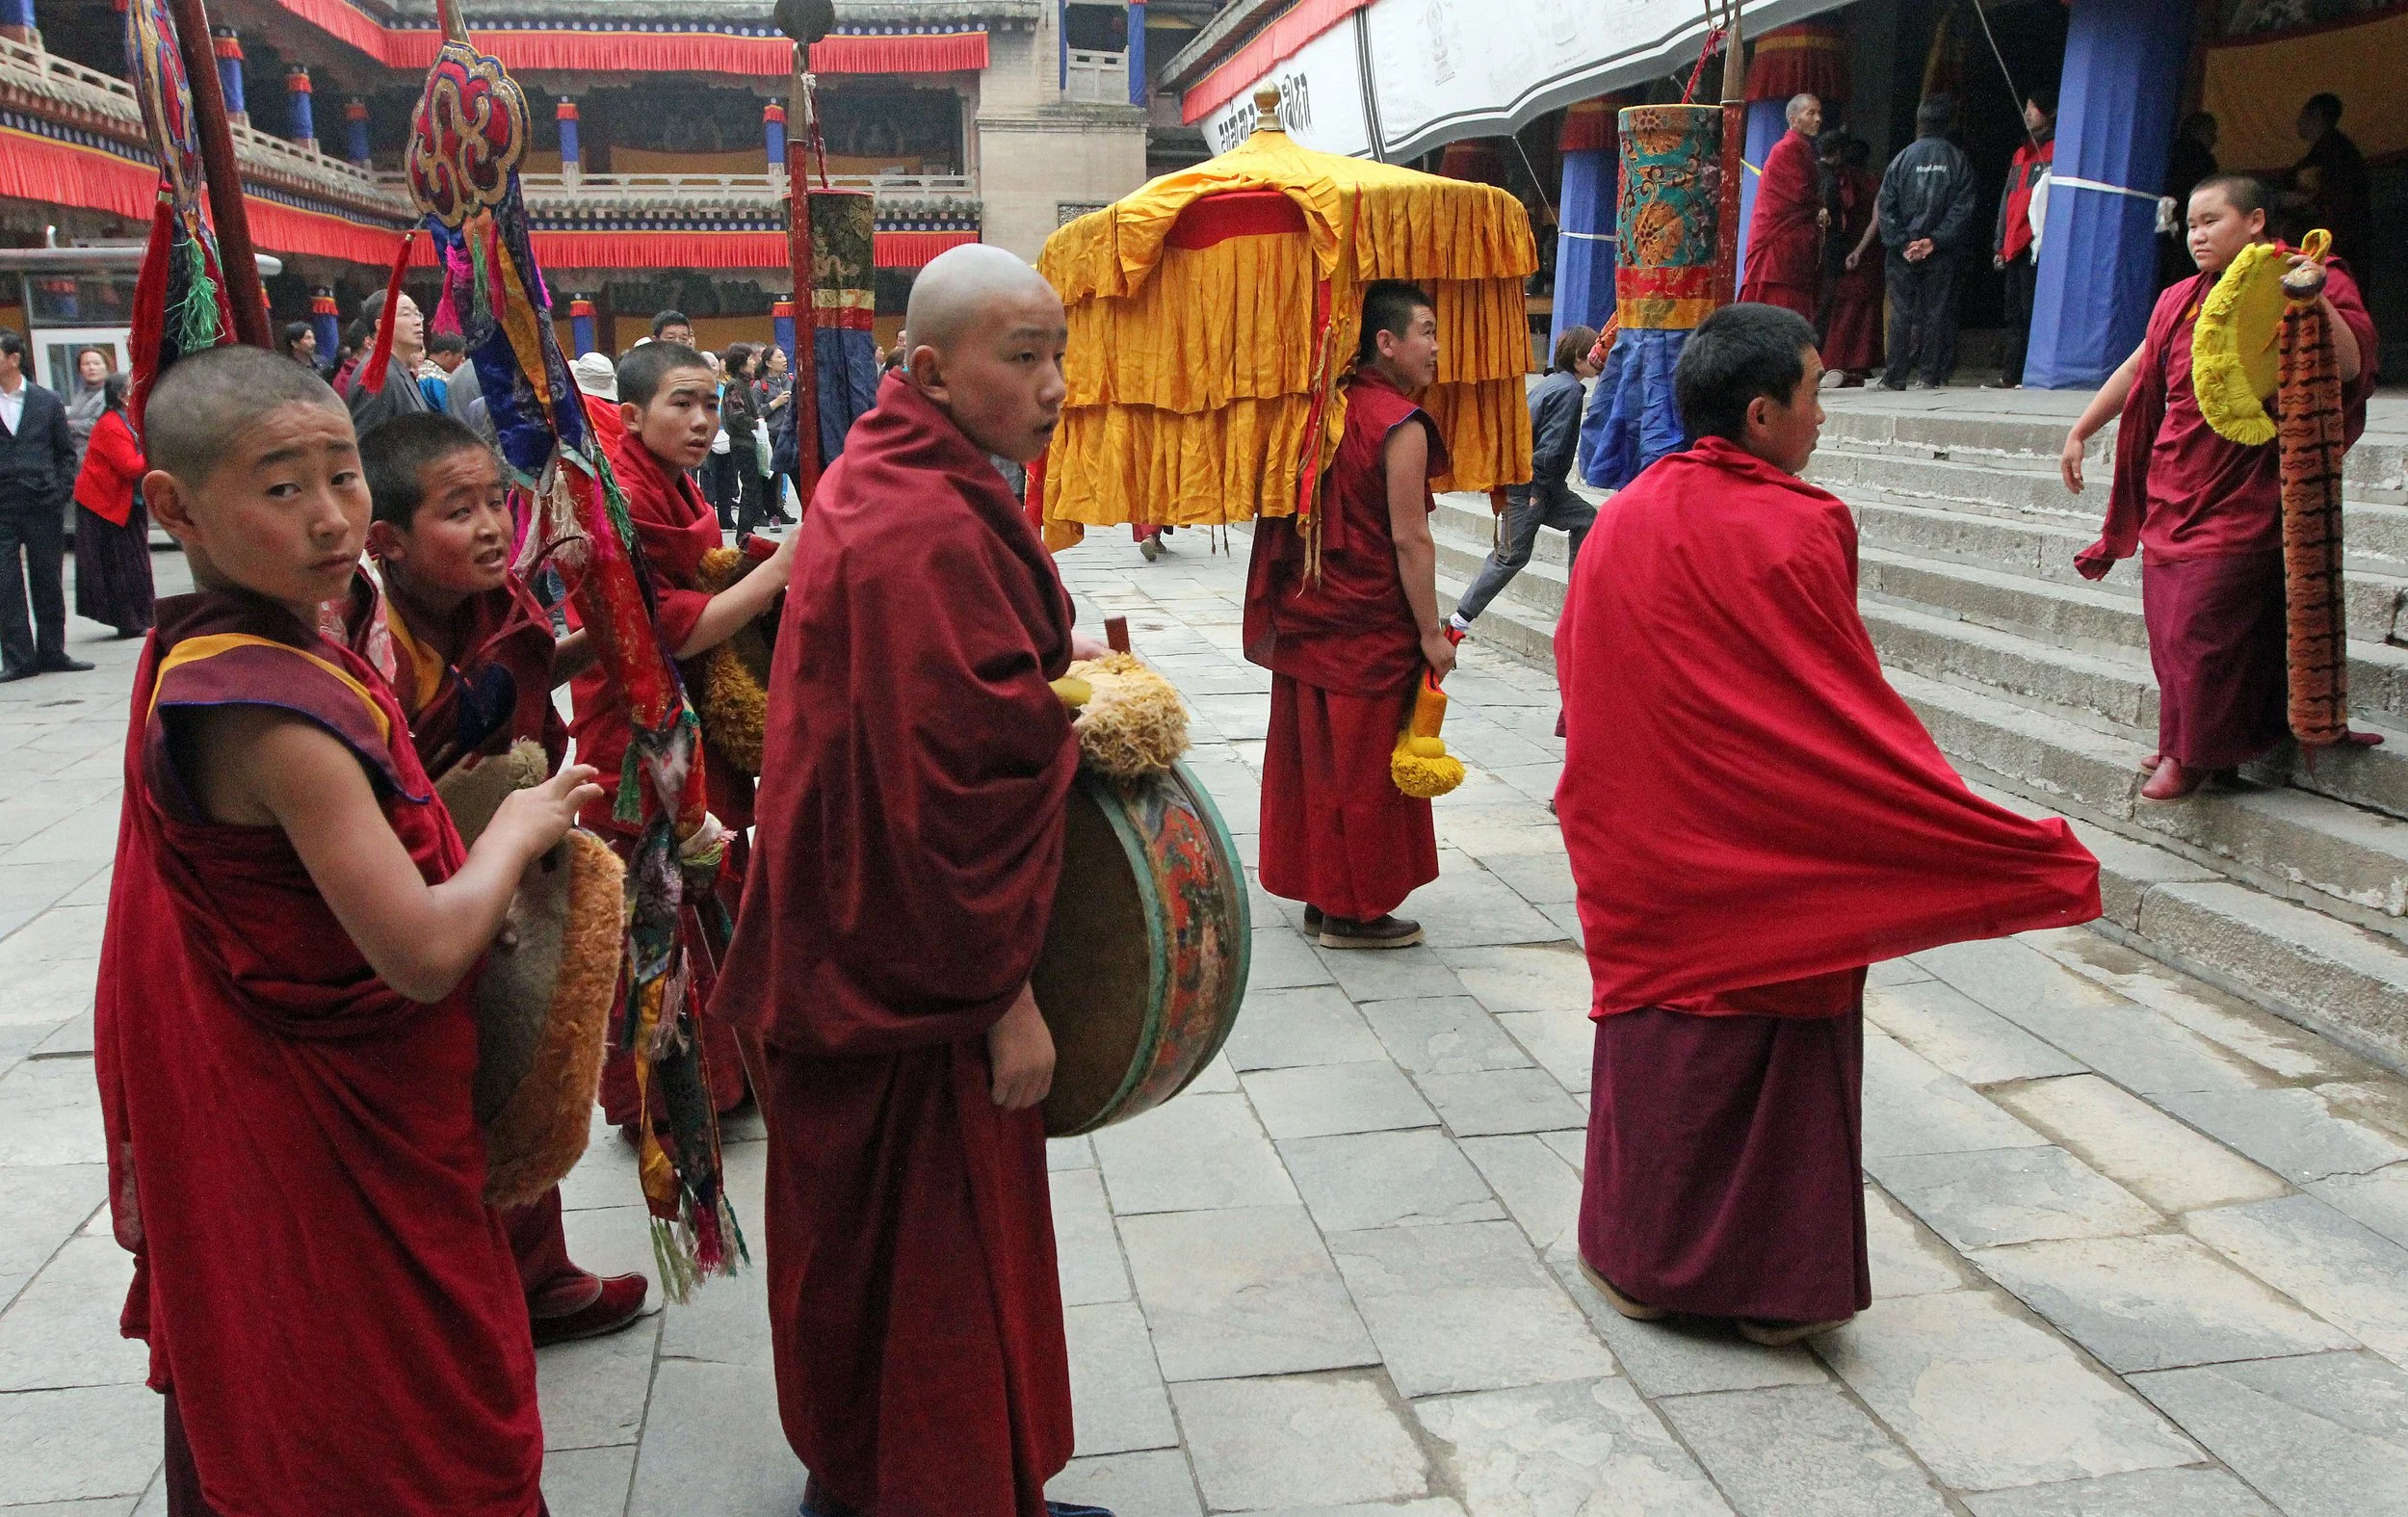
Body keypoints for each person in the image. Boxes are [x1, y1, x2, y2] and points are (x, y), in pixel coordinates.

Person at [94, 345, 592, 1515]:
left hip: (353, 1103)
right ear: (174, 508)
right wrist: (517, 832)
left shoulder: (268, 648)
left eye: (343, 478)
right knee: (394, 1423)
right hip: (331, 1131)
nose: (329, 519)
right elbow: (417, 954)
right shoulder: (263, 712)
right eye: (280, 488)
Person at [1556, 301, 2100, 1346]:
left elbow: (1584, 681)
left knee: (1664, 1047)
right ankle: (1773, 1295)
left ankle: (1641, 1262)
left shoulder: (1622, 514)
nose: (1822, 418)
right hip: (1773, 847)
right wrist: (1939, 823)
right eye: (1813, 395)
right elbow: (1836, 707)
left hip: (1646, 843)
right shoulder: (1804, 523)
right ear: (1760, 414)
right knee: (1778, 1049)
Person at [715, 241, 1110, 1517]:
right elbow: (940, 794)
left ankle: (895, 1478)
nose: (1055, 383)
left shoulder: (894, 477)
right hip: (906, 958)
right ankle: (930, 1490)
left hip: (855, 923)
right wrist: (999, 993)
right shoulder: (916, 526)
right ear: (933, 372)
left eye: (1059, 350)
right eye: (1025, 355)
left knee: (888, 1246)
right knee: (927, 1252)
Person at [345, 411, 650, 1346]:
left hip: (507, 856)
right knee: (460, 1097)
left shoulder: (486, 604)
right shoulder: (369, 640)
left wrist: (606, 639)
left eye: (493, 502)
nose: (488, 526)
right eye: (457, 510)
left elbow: (514, 677)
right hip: (420, 890)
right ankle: (477, 1299)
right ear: (387, 541)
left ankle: (538, 1275)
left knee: (521, 1064)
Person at [2061, 173, 2378, 801]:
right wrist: (2083, 427)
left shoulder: (2301, 275)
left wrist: (2309, 296)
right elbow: (2138, 363)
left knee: (2207, 620)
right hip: (2178, 481)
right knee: (2171, 625)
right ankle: (2195, 739)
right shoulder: (2180, 296)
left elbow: (2349, 362)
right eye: (2192, 225)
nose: (2197, 235)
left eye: (2212, 221)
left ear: (2256, 222)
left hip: (2248, 485)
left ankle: (2193, 755)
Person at [571, 340, 795, 1134]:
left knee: (709, 889)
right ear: (632, 415)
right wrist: (778, 571)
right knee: (659, 908)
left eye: (709, 404)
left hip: (690, 719)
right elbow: (671, 629)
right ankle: (663, 1097)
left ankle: (722, 1080)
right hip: (641, 732)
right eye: (682, 405)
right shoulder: (623, 496)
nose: (702, 421)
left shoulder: (669, 480)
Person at [1244, 281, 1451, 949]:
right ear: (1384, 343)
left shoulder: (1318, 415)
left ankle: (1322, 894)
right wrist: (1430, 633)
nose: (1437, 348)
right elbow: (1410, 537)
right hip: (1369, 623)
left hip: (1315, 611)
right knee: (1361, 769)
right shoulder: (1399, 422)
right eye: (1426, 332)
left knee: (1315, 761)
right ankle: (1355, 911)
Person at [1452, 325, 1599, 632]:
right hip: (1530, 485)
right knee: (1510, 557)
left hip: (1539, 485)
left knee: (1587, 519)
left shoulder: (1552, 384)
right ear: (1577, 357)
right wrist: (1538, 491)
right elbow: (1551, 449)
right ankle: (1457, 622)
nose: (1601, 356)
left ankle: (1578, 607)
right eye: (1595, 350)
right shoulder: (1569, 391)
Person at [0, 329, 92, 683]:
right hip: (3, 507)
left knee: (47, 580)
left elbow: (65, 454)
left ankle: (52, 651)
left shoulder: (46, 401)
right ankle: (18, 659)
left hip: (42, 503)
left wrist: (61, 490)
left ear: (13, 358)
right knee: (6, 584)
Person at [1876, 94, 1977, 390]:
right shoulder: (1958, 161)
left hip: (1902, 254)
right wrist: (1935, 241)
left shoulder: (1901, 160)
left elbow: (1886, 206)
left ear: (1920, 122)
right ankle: (1928, 375)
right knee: (1937, 312)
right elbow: (1963, 208)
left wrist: (1903, 242)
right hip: (1941, 254)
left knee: (1901, 312)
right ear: (1949, 124)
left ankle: (1895, 376)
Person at [69, 372, 154, 640]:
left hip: (124, 501)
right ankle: (130, 621)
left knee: (133, 563)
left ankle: (139, 617)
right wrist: (156, 454)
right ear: (121, 396)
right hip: (103, 504)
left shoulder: (127, 419)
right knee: (120, 565)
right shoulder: (110, 424)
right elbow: (129, 467)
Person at [1738, 93, 1828, 323]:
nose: (1818, 119)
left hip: (1792, 241)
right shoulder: (1785, 150)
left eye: (1819, 113)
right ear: (1793, 118)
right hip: (1777, 241)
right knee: (1777, 304)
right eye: (1811, 113)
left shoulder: (1802, 149)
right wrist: (1818, 207)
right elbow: (1797, 194)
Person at [1991, 88, 2056, 390]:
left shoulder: (2059, 149)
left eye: (2034, 107)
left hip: (2037, 245)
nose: (2027, 113)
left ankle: (2032, 373)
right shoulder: (2020, 153)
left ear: (2050, 112)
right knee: (2013, 314)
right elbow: (2007, 198)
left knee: (2032, 312)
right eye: (2027, 107)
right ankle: (2010, 374)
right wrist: (1999, 243)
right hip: (2013, 245)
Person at [2285, 93, 2372, 288]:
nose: (2298, 121)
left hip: (2334, 239)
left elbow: (2316, 195)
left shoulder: (2331, 153)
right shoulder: (2337, 149)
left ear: (2315, 115)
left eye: (2302, 115)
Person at [1822, 135, 1886, 385]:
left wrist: (1852, 249)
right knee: (1867, 307)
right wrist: (1861, 249)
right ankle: (1862, 361)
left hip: (1847, 249)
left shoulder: (1842, 180)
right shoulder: (1875, 181)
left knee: (1844, 307)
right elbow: (1876, 220)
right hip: (1869, 250)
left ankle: (1837, 359)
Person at [348, 290, 433, 432]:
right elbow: (368, 441)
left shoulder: (396, 368)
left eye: (418, 314)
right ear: (381, 325)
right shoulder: (377, 372)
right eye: (406, 314)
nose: (418, 321)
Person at [2162, 113, 2220, 290]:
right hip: (2184, 219)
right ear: (2200, 131)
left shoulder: (2168, 150)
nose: (2215, 139)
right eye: (2212, 133)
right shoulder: (2202, 158)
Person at [718, 343, 771, 536]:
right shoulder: (736, 385)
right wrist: (756, 424)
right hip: (742, 443)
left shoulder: (743, 384)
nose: (754, 361)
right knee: (750, 487)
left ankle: (747, 530)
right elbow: (736, 415)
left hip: (747, 442)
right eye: (750, 358)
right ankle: (744, 532)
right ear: (741, 363)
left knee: (753, 487)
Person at [66, 347, 111, 467]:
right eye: (86, 364)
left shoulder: (111, 394)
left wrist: (69, 425)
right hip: (77, 460)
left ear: (106, 366)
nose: (91, 368)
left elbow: (98, 425)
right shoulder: (80, 394)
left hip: (99, 460)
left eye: (96, 363)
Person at [421, 330, 469, 412]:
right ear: (447, 355)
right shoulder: (437, 381)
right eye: (459, 358)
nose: (461, 364)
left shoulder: (420, 371)